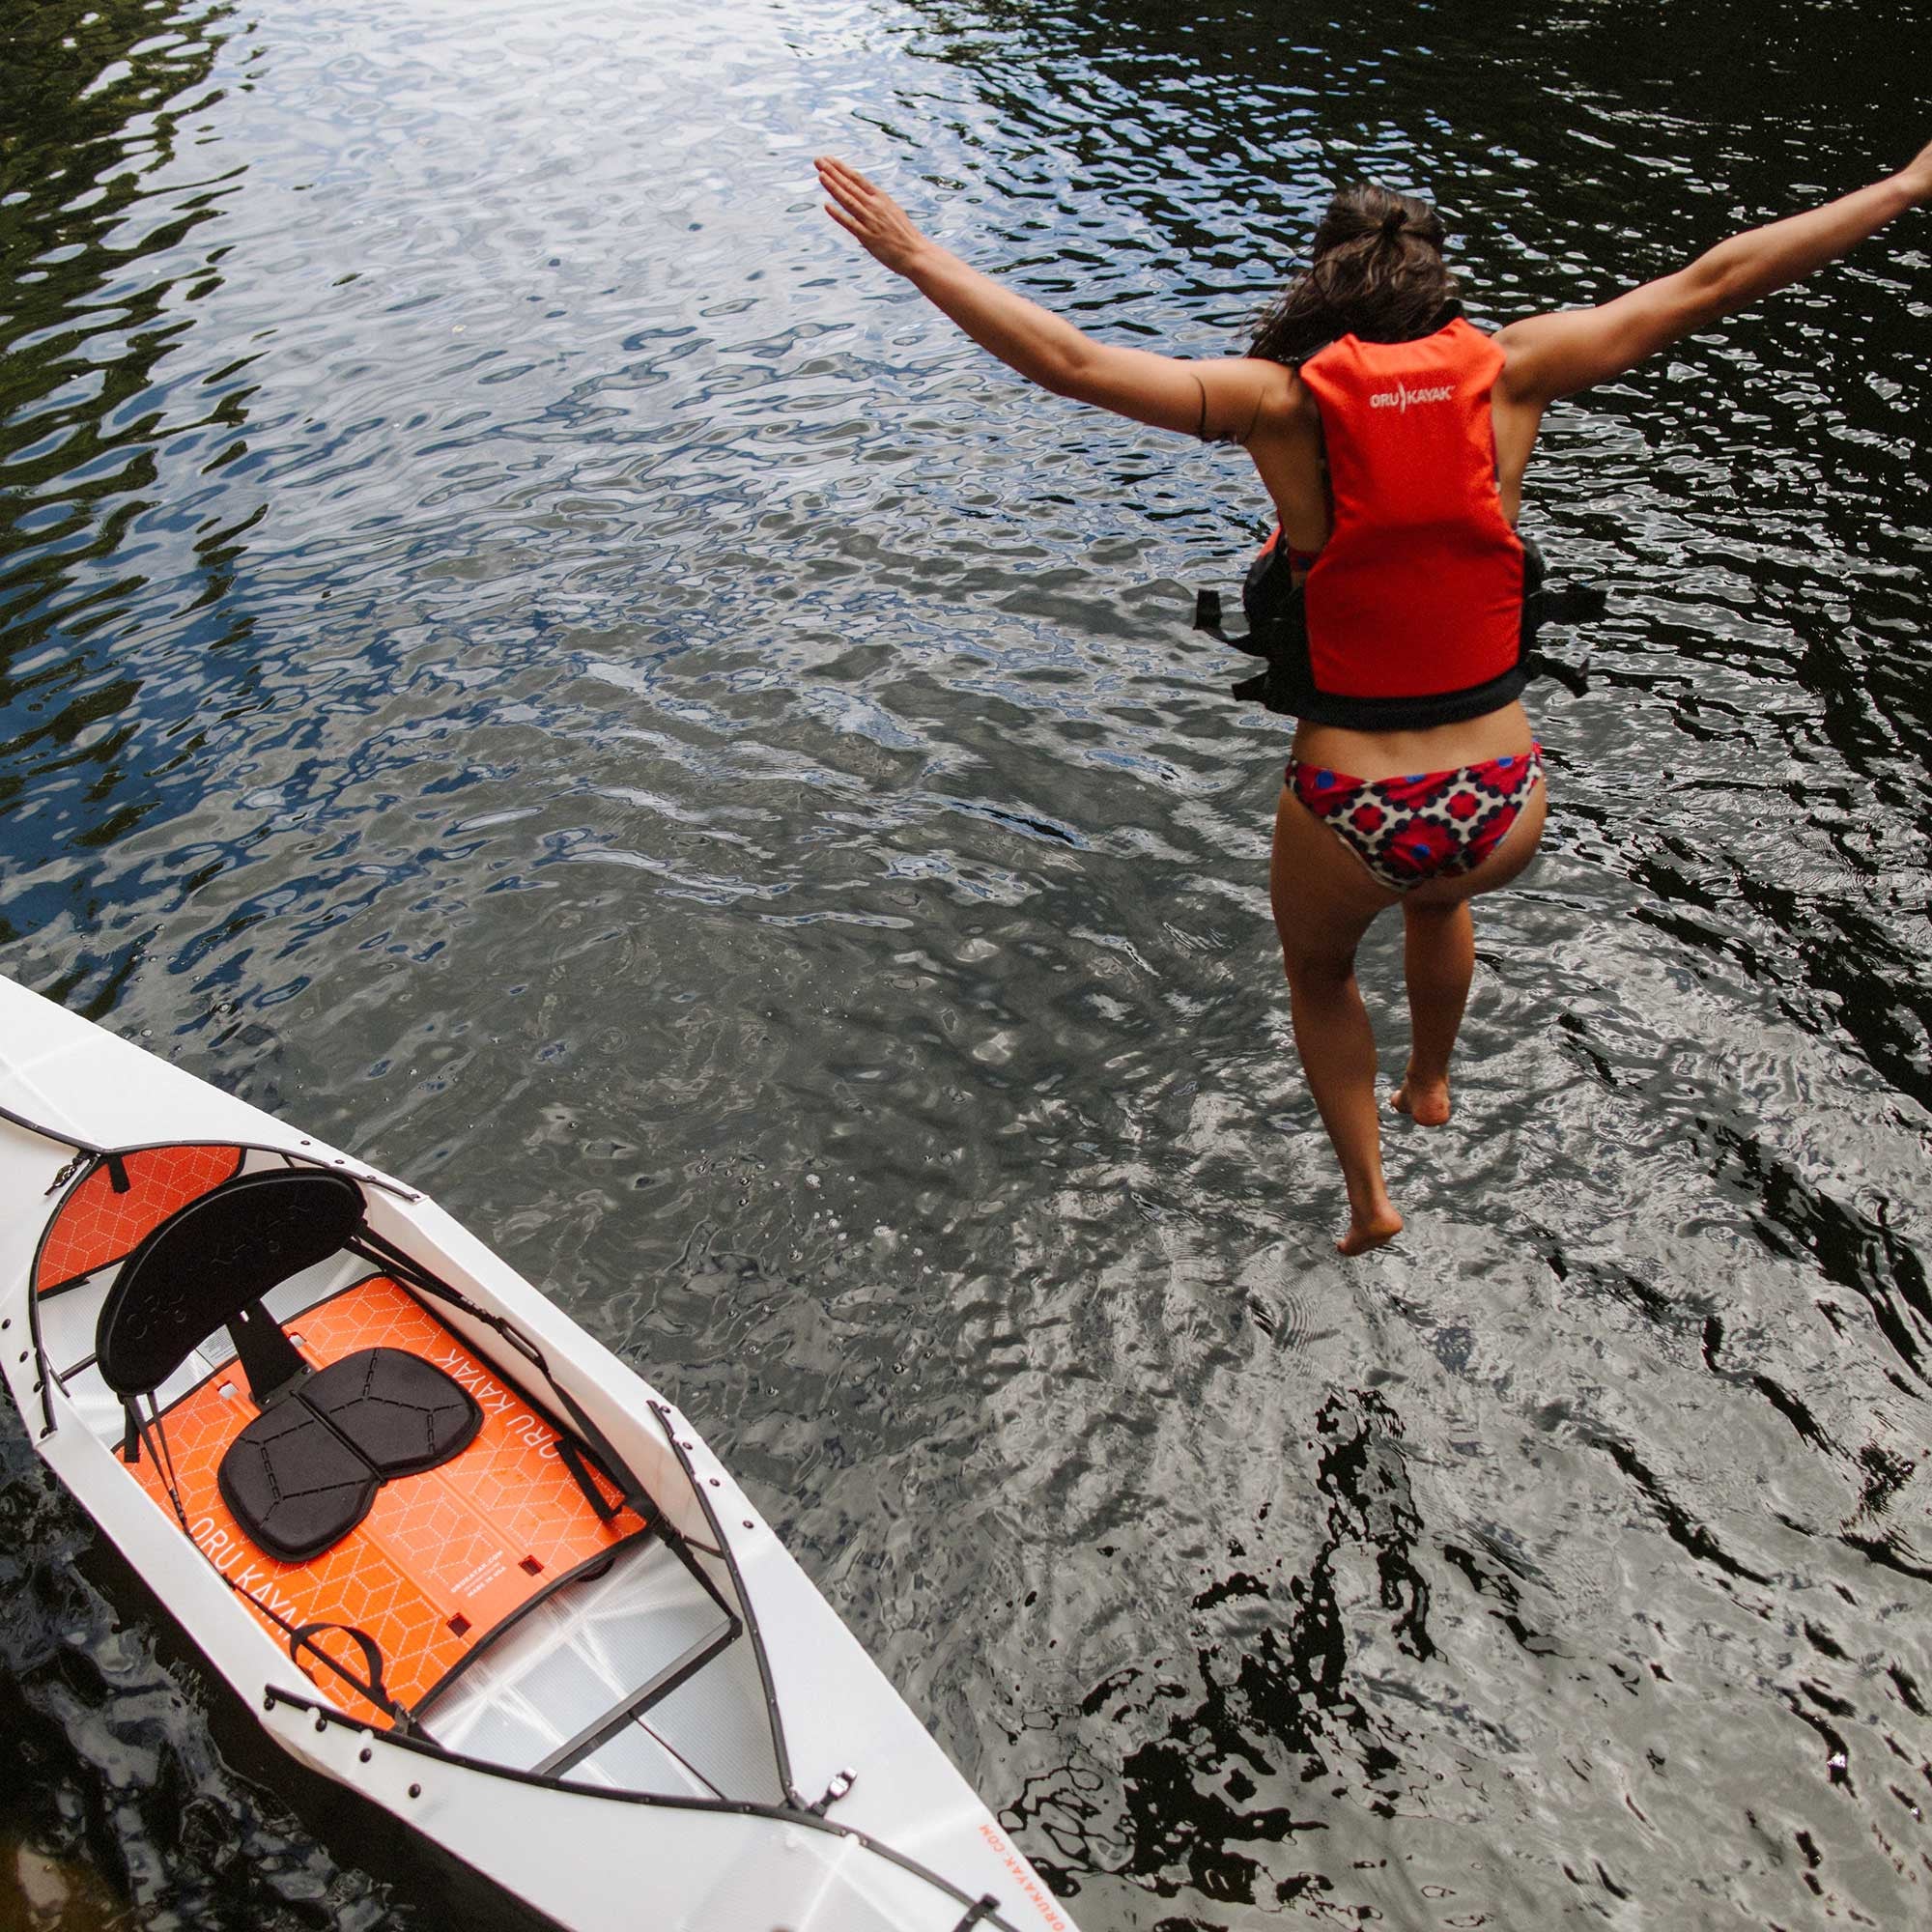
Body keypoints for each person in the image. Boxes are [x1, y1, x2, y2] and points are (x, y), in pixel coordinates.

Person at [815, 144, 1932, 1255]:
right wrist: (1900, 185)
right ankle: (1431, 1080)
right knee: (1442, 900)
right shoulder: (1516, 367)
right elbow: (1715, 278)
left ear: (1325, 280)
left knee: (1319, 974)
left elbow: (1070, 360)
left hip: (1353, 809)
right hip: (1500, 806)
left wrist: (917, 254)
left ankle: (1367, 1195)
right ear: (1436, 281)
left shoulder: (1277, 403)